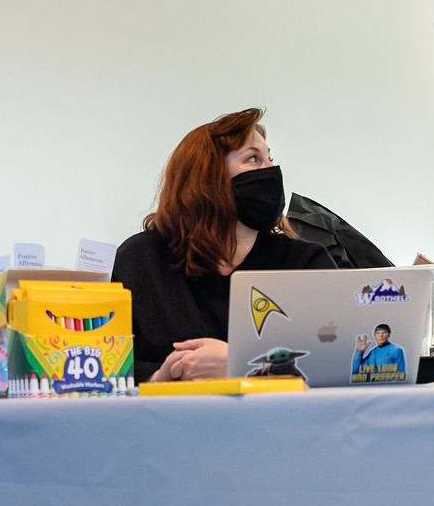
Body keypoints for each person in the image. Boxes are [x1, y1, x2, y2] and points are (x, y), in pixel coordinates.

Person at [116, 107, 335, 382]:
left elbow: (338, 361)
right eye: (254, 159)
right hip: (168, 421)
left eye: (270, 158)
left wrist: (241, 366)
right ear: (208, 177)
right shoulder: (141, 261)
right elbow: (105, 365)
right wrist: (164, 375)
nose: (272, 170)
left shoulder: (305, 263)